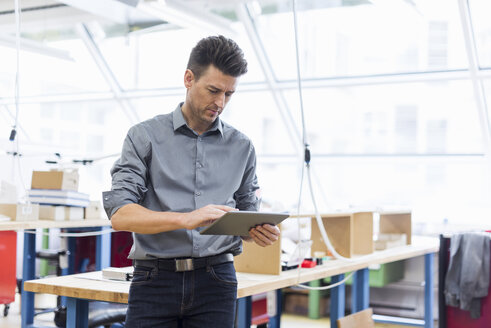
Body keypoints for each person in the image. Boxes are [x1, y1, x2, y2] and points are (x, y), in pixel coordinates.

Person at [102, 35, 281, 328]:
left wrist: (257, 232)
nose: (220, 102)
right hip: (154, 280)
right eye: (213, 90)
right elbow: (121, 215)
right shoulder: (143, 137)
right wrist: (187, 219)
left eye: (229, 94)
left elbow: (247, 216)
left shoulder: (242, 147)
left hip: (217, 280)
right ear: (188, 78)